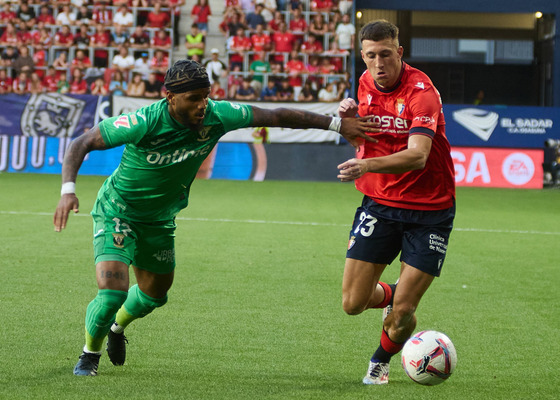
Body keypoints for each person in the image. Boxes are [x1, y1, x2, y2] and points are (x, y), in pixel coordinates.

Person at [53, 59, 376, 377]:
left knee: (154, 296)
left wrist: (336, 124)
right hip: (118, 210)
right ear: (171, 98)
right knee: (113, 292)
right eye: (194, 98)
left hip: (160, 219)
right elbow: (82, 142)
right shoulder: (143, 121)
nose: (202, 105)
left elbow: (276, 115)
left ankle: (117, 327)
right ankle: (89, 355)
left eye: (206, 96)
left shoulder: (218, 115)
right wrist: (68, 190)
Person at [335, 19, 456, 385]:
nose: (379, 63)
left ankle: (380, 362)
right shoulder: (364, 84)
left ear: (399, 52)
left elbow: (418, 156)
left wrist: (366, 165)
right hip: (379, 204)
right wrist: (350, 123)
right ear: (362, 56)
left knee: (403, 311)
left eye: (386, 54)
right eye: (371, 56)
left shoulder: (422, 92)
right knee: (352, 304)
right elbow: (367, 143)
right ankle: (390, 292)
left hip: (430, 209)